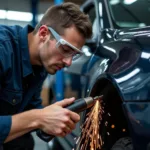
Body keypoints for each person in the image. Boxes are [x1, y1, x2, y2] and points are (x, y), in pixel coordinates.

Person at [0, 2, 92, 150]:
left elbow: (30, 106)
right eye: (65, 49)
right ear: (43, 34)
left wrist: (52, 117)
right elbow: (34, 116)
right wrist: (39, 118)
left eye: (73, 55)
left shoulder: (41, 63)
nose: (68, 62)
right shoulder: (3, 50)